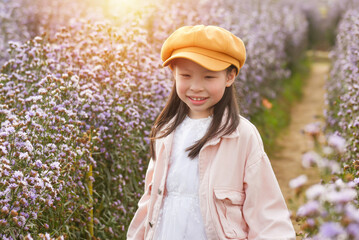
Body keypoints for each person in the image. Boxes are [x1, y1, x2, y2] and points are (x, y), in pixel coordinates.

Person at [127, 25, 296, 240]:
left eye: (208, 77)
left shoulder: (241, 135)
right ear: (174, 74)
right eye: (186, 75)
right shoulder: (165, 132)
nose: (196, 87)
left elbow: (266, 210)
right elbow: (151, 199)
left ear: (230, 77)